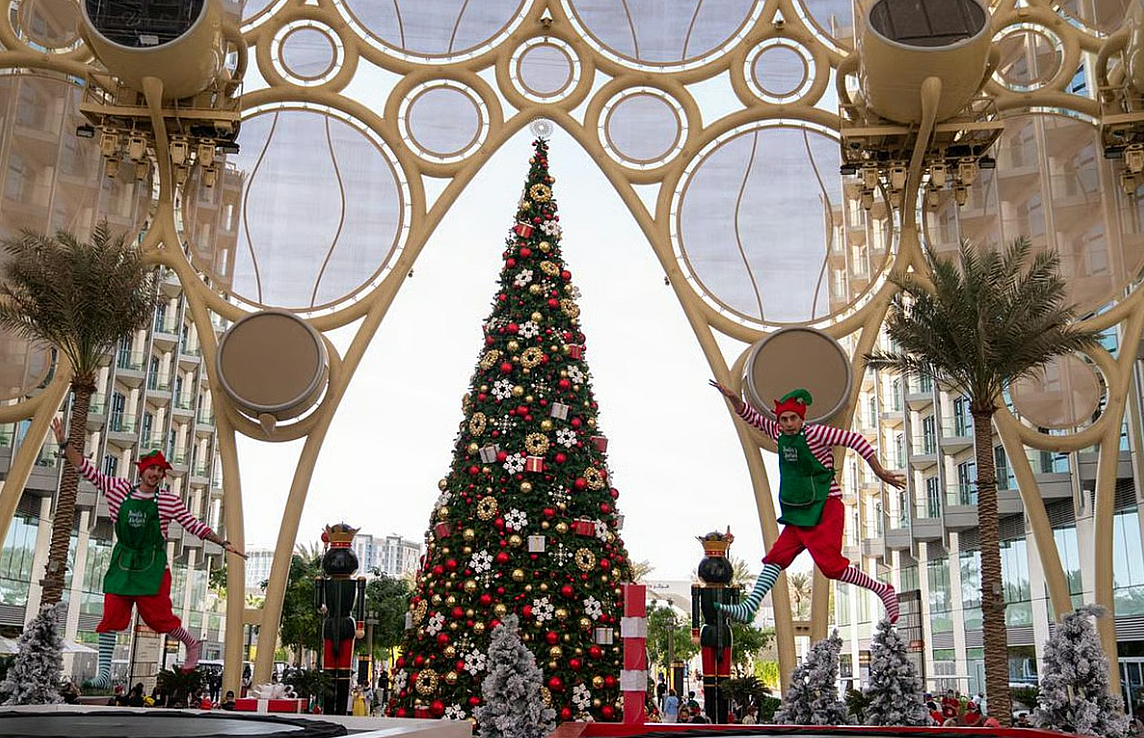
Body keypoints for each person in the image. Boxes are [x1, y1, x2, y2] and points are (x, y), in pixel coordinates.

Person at [52, 417, 245, 672]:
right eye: (152, 468)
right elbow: (86, 469)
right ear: (141, 470)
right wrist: (64, 443)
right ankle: (104, 673)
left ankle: (191, 643)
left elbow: (192, 524)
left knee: (159, 619)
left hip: (152, 566)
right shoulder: (118, 489)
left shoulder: (168, 501)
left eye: (160, 470)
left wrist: (223, 543)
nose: (155, 474)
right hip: (123, 562)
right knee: (111, 614)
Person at [709, 382, 906, 623]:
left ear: (801, 418)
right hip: (798, 512)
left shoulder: (817, 433)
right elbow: (749, 416)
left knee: (831, 568)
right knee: (776, 558)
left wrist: (880, 471)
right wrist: (733, 397)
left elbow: (856, 440)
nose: (789, 423)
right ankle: (750, 606)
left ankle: (882, 589)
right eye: (784, 419)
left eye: (793, 418)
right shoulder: (778, 433)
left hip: (825, 507)